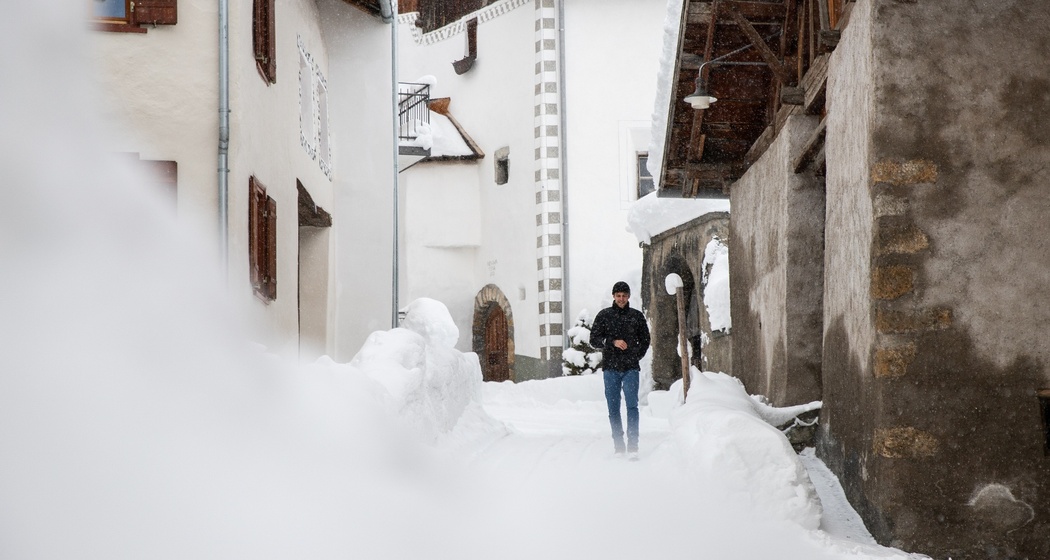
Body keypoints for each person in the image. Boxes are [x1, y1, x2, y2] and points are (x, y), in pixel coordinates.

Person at [590, 281, 650, 460]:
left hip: (631, 368)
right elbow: (594, 340)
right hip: (610, 368)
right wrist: (612, 342)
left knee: (632, 406)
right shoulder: (604, 316)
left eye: (624, 295)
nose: (621, 299)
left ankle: (633, 446)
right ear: (614, 296)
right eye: (618, 296)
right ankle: (618, 446)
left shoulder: (636, 317)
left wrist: (635, 355)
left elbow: (645, 340)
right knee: (613, 408)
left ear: (629, 296)